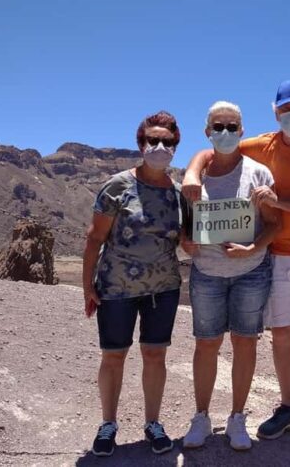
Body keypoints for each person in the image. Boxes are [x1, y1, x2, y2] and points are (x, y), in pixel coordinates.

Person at [182, 81, 290, 459]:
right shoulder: (260, 145)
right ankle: (288, 407)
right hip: (279, 256)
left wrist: (277, 202)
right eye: (287, 109)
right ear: (275, 113)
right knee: (281, 335)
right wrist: (192, 171)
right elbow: (212, 152)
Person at [178, 101, 282, 451]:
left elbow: (274, 224)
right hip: (207, 272)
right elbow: (184, 224)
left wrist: (253, 250)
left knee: (245, 342)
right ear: (208, 132)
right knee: (206, 344)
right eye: (218, 127)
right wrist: (184, 241)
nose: (225, 133)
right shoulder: (195, 177)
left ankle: (237, 417)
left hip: (250, 274)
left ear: (242, 131)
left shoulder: (259, 174)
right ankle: (202, 416)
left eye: (232, 127)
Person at [82, 110, 184, 457]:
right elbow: (95, 237)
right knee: (114, 356)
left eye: (166, 142)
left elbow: (187, 241)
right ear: (140, 144)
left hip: (164, 288)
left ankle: (153, 423)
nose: (159, 146)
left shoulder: (179, 192)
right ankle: (108, 424)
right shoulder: (117, 185)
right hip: (116, 287)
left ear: (175, 146)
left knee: (155, 355)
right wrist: (87, 285)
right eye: (152, 140)